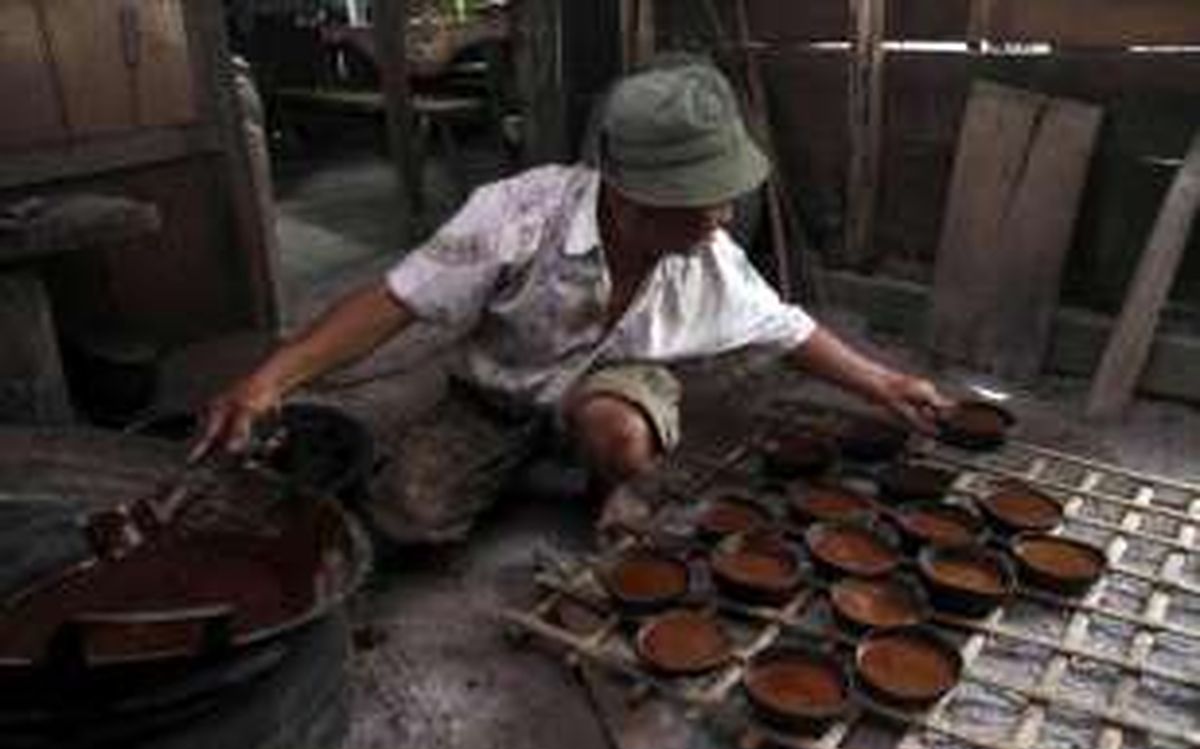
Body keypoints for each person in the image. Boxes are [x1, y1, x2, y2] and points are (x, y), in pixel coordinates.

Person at [196, 60, 950, 543]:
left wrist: (886, 384)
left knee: (618, 432)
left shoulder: (705, 254)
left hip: (605, 392)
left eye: (723, 197)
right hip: (494, 398)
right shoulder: (517, 214)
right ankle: (516, 455)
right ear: (627, 195)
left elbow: (785, 329)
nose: (721, 216)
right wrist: (273, 377)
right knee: (404, 521)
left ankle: (605, 477)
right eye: (699, 200)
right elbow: (394, 299)